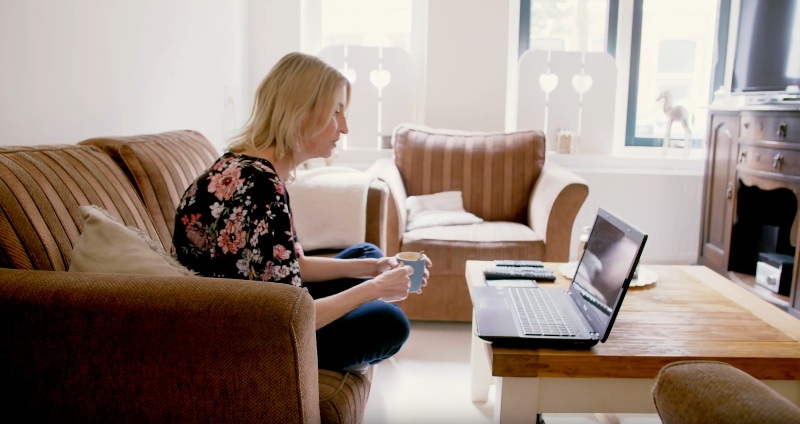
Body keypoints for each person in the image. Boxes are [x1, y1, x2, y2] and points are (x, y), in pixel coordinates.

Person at [172, 52, 431, 374]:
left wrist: (376, 267)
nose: (345, 127)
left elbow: (296, 266)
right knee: (388, 323)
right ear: (301, 114)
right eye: (336, 112)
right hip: (247, 336)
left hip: (253, 306)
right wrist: (375, 288)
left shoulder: (240, 166)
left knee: (368, 253)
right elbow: (291, 316)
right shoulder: (261, 189)